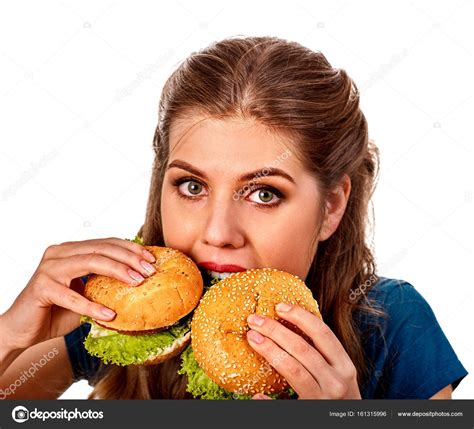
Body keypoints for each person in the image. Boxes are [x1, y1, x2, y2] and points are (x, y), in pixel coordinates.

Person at [0, 36, 467, 400]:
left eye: (264, 193)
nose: (218, 234)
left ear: (331, 207)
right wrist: (10, 336)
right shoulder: (123, 311)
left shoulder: (391, 322)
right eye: (192, 186)